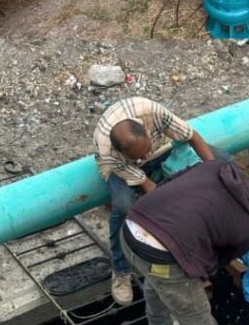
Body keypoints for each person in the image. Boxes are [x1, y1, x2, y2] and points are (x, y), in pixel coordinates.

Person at [122, 162, 249, 325]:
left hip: (132, 226)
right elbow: (216, 262)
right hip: (158, 256)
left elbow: (169, 181)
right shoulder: (246, 231)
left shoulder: (218, 168)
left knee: (157, 282)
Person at [94, 97, 230, 306]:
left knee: (224, 162)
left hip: (162, 150)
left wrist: (212, 171)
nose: (145, 155)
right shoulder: (108, 151)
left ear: (146, 130)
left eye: (145, 149)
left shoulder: (154, 113)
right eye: (141, 155)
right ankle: (121, 270)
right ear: (124, 152)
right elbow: (149, 187)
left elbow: (191, 136)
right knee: (123, 206)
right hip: (122, 169)